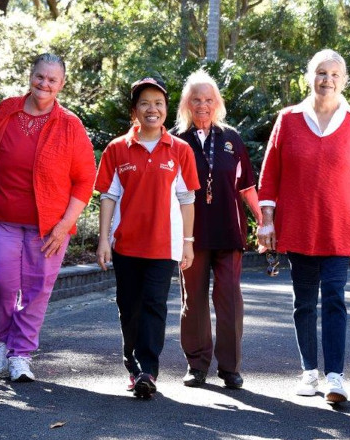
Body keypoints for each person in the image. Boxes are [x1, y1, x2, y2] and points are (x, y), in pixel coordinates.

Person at [257, 49, 350, 403]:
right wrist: (267, 222)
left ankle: (335, 378)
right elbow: (270, 176)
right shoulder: (289, 119)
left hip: (341, 229)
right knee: (303, 302)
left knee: (335, 301)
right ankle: (309, 372)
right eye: (321, 73)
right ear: (309, 77)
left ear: (344, 81)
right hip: (298, 226)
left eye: (334, 74)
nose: (327, 80)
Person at [0, 53, 96, 382]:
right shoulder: (6, 110)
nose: (44, 84)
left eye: (52, 80)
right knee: (0, 281)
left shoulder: (70, 125)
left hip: (49, 227)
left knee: (37, 290)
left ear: (62, 84)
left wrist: (63, 225)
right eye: (40, 77)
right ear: (30, 75)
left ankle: (21, 354)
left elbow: (85, 180)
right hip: (1, 217)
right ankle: (1, 340)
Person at [96, 77, 200, 399]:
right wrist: (103, 241)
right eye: (144, 103)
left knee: (154, 305)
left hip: (163, 245)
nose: (152, 109)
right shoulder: (117, 149)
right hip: (126, 243)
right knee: (129, 307)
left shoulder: (180, 150)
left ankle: (147, 371)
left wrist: (188, 242)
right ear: (134, 111)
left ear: (166, 109)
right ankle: (132, 366)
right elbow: (108, 197)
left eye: (158, 103)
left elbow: (187, 200)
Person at [169, 70, 262, 389]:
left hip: (228, 230)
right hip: (189, 236)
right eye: (196, 99)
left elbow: (247, 186)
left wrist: (264, 223)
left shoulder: (232, 139)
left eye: (208, 99)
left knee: (229, 299)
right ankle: (196, 365)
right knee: (192, 300)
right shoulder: (175, 140)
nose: (202, 105)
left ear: (217, 103)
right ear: (186, 104)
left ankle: (230, 368)